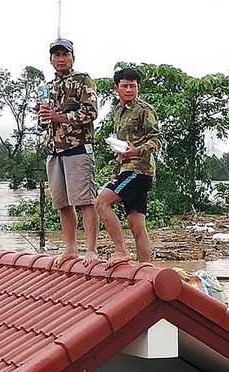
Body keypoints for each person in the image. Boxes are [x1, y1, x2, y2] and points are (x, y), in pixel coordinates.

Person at [37, 38, 99, 266]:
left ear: (73, 57)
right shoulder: (47, 87)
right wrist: (42, 114)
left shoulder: (83, 81)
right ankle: (70, 248)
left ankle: (91, 250)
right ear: (51, 59)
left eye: (65, 54)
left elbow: (91, 113)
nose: (60, 58)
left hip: (78, 148)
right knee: (62, 203)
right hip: (54, 150)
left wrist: (59, 116)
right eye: (56, 55)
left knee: (85, 201)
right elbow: (43, 124)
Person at [95, 67, 163, 269]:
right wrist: (117, 167)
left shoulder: (144, 109)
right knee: (137, 225)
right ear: (116, 88)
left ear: (138, 87)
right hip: (126, 169)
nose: (129, 90)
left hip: (138, 170)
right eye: (124, 86)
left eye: (132, 86)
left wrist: (137, 151)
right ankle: (146, 269)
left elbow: (157, 139)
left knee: (101, 203)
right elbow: (122, 145)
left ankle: (121, 251)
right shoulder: (117, 112)